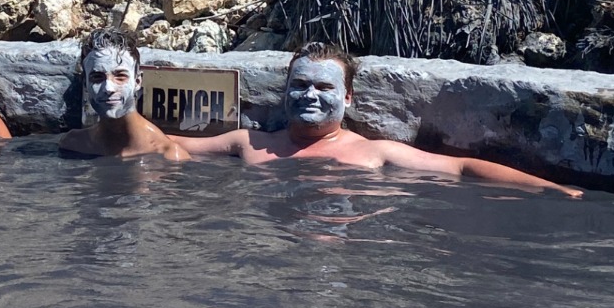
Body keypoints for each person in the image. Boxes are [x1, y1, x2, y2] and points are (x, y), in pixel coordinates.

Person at [170, 42, 582, 196]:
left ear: (347, 98)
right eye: (300, 85)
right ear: (285, 92)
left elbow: (462, 168)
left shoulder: (376, 154)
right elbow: (168, 146)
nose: (310, 95)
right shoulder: (248, 144)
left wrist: (550, 189)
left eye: (324, 87)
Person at [58, 28, 190, 161]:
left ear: (137, 82)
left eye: (120, 77)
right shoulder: (74, 144)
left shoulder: (168, 155)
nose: (108, 88)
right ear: (85, 84)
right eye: (97, 78)